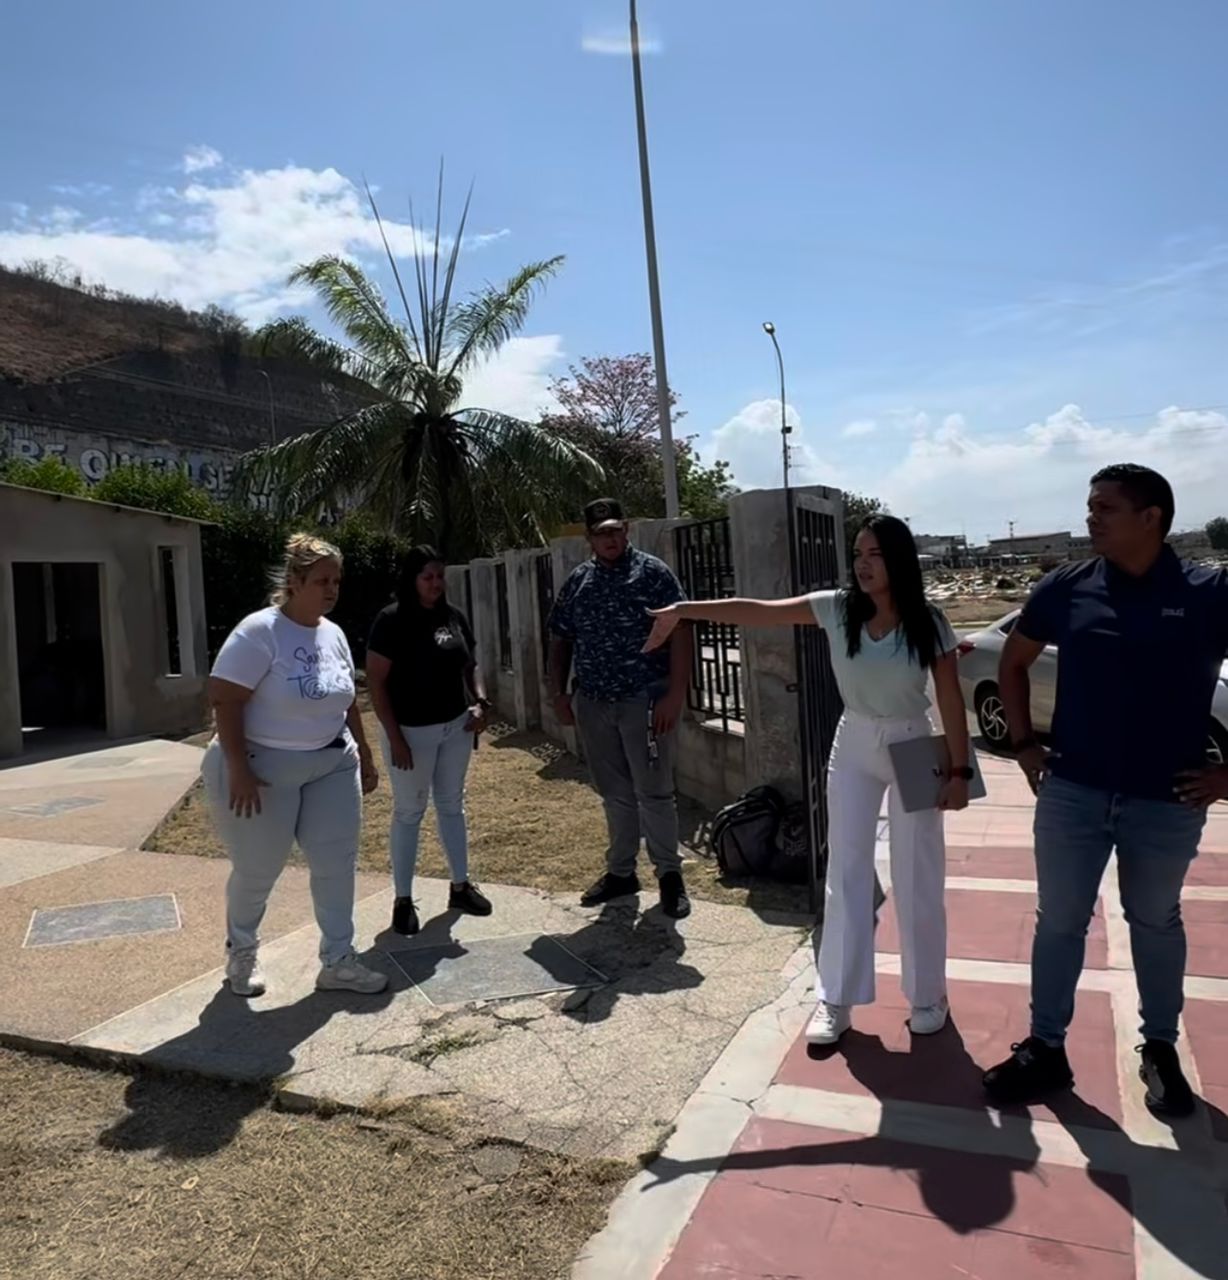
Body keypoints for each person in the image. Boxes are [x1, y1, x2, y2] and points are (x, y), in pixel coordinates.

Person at [645, 514, 972, 1044]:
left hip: (914, 740)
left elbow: (951, 699)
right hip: (855, 739)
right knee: (845, 870)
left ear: (899, 560)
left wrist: (959, 771)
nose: (863, 565)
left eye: (875, 555)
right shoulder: (838, 608)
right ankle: (836, 997)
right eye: (858, 554)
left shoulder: (927, 621)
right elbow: (759, 610)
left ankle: (928, 994)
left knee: (918, 872)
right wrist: (685, 610)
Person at [983, 464, 1228, 1118]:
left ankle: (1160, 1048)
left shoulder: (1209, 592)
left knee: (1155, 921)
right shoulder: (1068, 586)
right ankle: (1046, 1047)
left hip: (1167, 800)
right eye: (1090, 506)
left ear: (1151, 518)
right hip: (1073, 792)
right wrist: (1024, 746)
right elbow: (1013, 661)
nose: (1091, 518)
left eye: (1105, 508)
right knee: (1060, 921)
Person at [202, 533, 388, 998]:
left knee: (336, 864)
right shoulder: (259, 631)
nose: (332, 590)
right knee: (258, 869)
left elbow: (347, 701)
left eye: (337, 581)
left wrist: (365, 754)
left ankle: (338, 961)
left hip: (331, 763)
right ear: (294, 581)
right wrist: (238, 768)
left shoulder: (334, 633)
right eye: (322, 581)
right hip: (262, 768)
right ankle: (242, 952)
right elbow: (224, 699)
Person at [548, 498, 694, 919]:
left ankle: (670, 875)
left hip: (643, 699)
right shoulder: (579, 581)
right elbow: (560, 638)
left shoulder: (653, 573)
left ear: (626, 529)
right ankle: (621, 872)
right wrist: (558, 694)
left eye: (615, 530)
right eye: (600, 533)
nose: (609, 539)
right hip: (595, 701)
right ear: (589, 538)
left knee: (654, 791)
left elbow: (681, 631)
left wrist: (674, 695)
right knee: (614, 792)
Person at [366, 546, 493, 936]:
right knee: (410, 811)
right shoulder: (391, 621)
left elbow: (470, 664)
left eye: (439, 576)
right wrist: (395, 738)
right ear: (412, 579)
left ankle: (460, 886)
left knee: (452, 804)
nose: (436, 584)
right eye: (427, 577)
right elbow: (376, 682)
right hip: (410, 732)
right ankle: (403, 900)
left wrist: (480, 701)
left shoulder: (453, 617)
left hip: (455, 726)